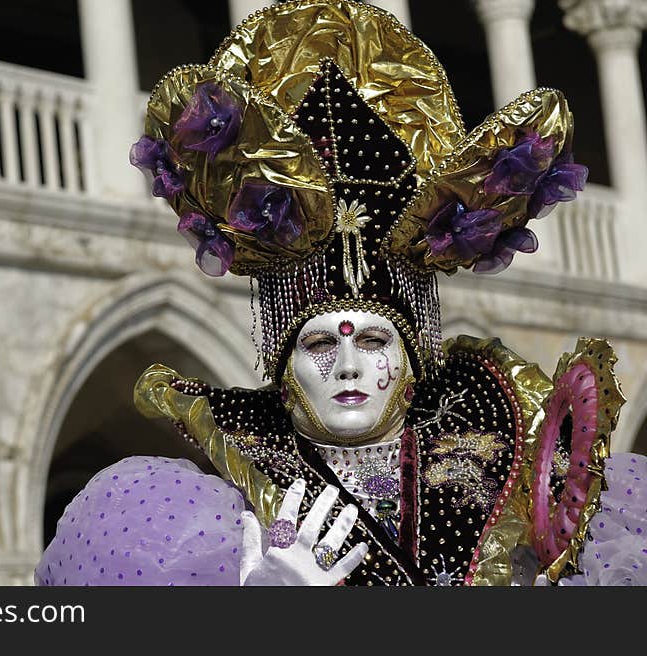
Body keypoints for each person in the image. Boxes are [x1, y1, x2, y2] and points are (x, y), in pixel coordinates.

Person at [36, 0, 643, 586]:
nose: (349, 364)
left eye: (376, 338)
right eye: (321, 343)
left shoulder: (511, 450)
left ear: (413, 353)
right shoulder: (220, 515)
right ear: (283, 361)